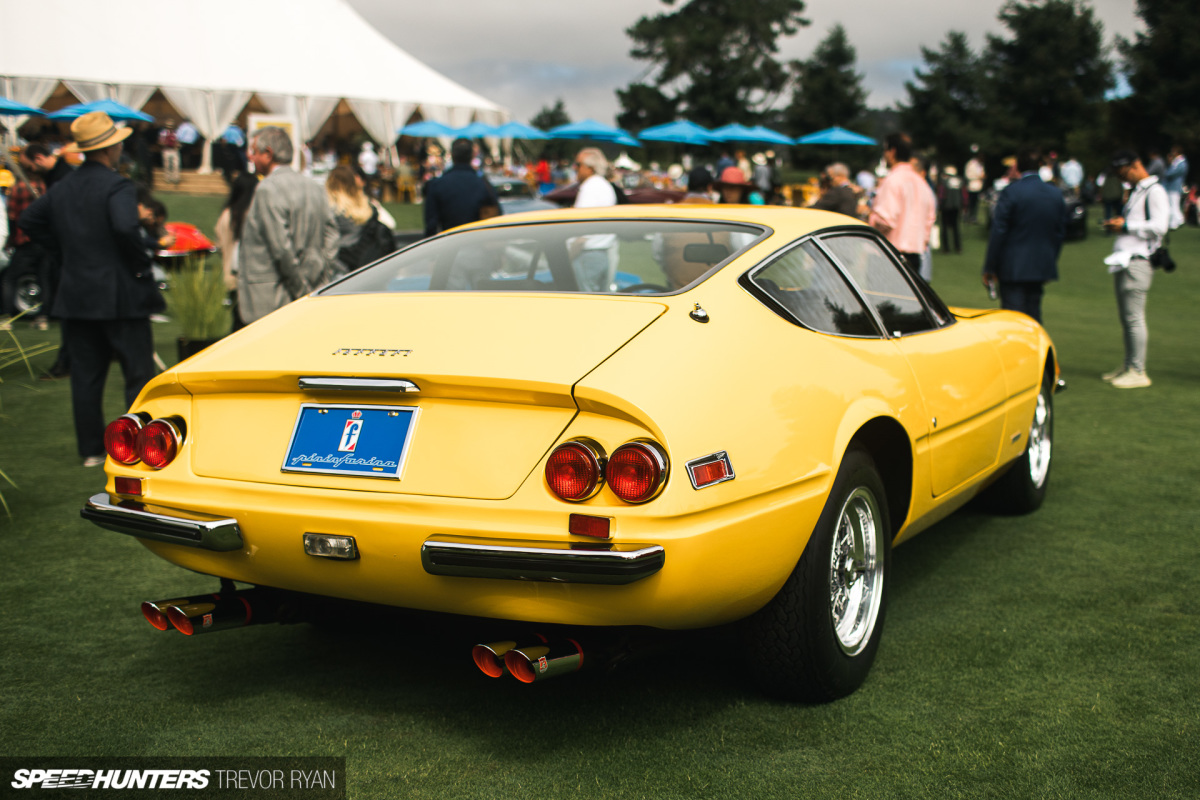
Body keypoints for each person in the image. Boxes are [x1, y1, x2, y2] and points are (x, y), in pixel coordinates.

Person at [18, 111, 164, 466]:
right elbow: (126, 228)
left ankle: (91, 451)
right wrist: (140, 265)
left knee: (86, 376)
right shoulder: (118, 185)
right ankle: (141, 447)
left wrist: (65, 252)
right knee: (138, 374)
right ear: (111, 148)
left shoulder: (64, 185)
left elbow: (29, 220)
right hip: (119, 294)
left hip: (77, 294)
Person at [237, 126, 340, 324]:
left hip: (272, 297)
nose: (250, 157)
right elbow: (332, 234)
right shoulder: (313, 187)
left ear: (268, 153)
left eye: (254, 152)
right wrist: (323, 272)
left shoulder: (267, 188)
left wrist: (301, 288)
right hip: (312, 283)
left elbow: (281, 247)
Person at [1100, 150, 1170, 389]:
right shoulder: (1139, 191)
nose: (1124, 179)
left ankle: (1138, 370)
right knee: (1127, 318)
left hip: (1138, 260)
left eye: (1124, 173)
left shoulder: (1155, 191)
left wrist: (1128, 226)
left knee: (1134, 318)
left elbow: (1161, 226)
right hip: (1125, 258)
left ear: (1135, 166)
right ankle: (1130, 364)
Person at [980, 148, 1066, 324]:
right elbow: (1059, 233)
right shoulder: (1055, 193)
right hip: (1041, 263)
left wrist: (990, 267)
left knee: (1014, 318)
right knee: (1034, 316)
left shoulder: (1012, 191)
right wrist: (1051, 259)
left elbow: (999, 231)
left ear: (1018, 166)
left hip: (1013, 266)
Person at [868, 133, 936, 276]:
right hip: (915, 255)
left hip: (890, 254)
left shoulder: (893, 180)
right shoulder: (921, 182)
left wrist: (870, 217)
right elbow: (930, 219)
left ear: (892, 151)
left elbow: (885, 220)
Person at [422, 138, 499, 238]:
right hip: (477, 242)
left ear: (452, 155)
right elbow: (494, 218)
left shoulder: (437, 185)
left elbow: (431, 225)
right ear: (472, 155)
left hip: (449, 242)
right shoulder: (484, 185)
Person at [325, 165, 395, 273]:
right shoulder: (367, 206)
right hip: (365, 261)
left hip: (341, 263)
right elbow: (391, 223)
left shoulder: (332, 209)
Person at [214, 172, 258, 330]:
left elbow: (219, 243)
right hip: (251, 278)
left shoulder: (226, 215)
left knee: (237, 323)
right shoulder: (251, 214)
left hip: (230, 277)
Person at [937, 164, 966, 254]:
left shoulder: (944, 182)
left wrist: (939, 205)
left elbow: (941, 195)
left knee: (945, 228)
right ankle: (958, 247)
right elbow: (964, 195)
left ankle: (946, 248)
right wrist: (964, 205)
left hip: (946, 207)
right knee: (956, 228)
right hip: (956, 207)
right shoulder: (960, 181)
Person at [1162, 145, 1188, 230]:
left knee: (1173, 204)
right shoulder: (1177, 161)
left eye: (1173, 151)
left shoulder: (1181, 162)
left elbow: (1172, 173)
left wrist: (1166, 172)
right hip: (1172, 186)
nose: (1172, 153)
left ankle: (1174, 223)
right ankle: (1179, 220)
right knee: (1173, 204)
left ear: (1177, 152)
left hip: (1175, 186)